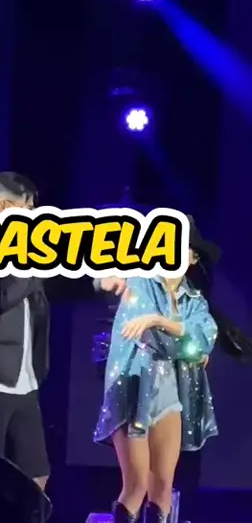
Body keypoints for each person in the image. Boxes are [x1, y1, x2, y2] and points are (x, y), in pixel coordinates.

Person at [0, 171, 119, 523]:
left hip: (22, 379)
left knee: (35, 474)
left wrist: (98, 282)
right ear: (3, 206)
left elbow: (53, 280)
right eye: (28, 210)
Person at [93, 216, 252, 523]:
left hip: (169, 397)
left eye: (181, 249)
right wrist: (183, 341)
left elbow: (204, 336)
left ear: (193, 258)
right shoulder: (139, 284)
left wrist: (159, 321)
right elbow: (160, 342)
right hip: (132, 392)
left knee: (163, 486)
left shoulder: (194, 300)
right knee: (136, 485)